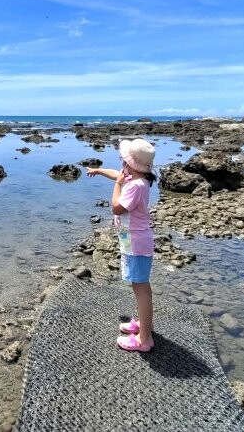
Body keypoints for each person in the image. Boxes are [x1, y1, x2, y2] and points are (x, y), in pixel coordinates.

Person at [86, 138, 157, 352]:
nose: (121, 165)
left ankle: (144, 339)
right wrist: (98, 171)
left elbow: (117, 208)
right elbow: (116, 175)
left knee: (141, 288)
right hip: (134, 242)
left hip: (137, 243)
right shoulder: (137, 179)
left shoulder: (135, 185)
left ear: (130, 164)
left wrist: (118, 184)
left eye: (123, 160)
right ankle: (145, 325)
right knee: (140, 286)